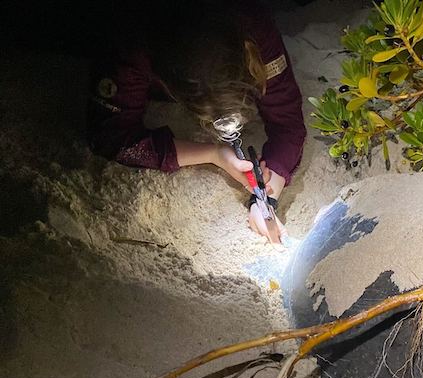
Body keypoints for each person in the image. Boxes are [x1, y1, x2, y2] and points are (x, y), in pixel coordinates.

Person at [86, 0, 305, 240]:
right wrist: (213, 154)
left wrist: (268, 194)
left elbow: (288, 125)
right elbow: (110, 136)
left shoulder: (253, 22)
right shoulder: (132, 43)